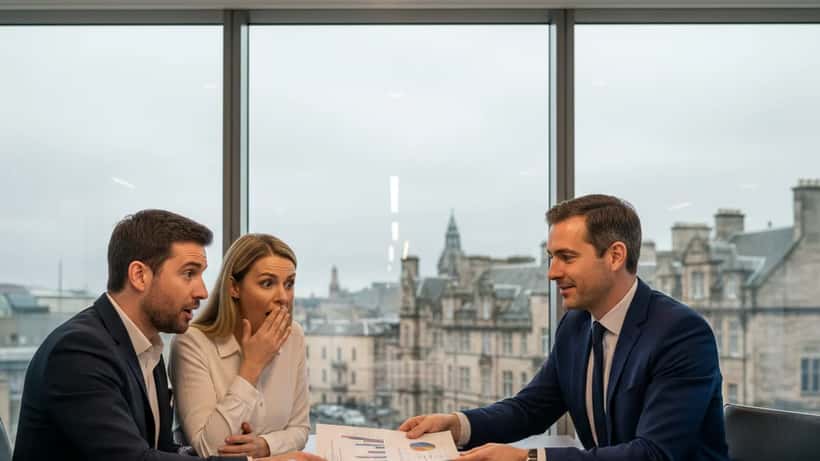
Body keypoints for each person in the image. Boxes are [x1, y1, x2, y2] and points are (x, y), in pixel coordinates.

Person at [400, 195, 729, 461]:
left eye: (567, 257)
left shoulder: (681, 334)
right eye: (550, 258)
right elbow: (530, 409)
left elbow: (654, 453)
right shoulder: (576, 324)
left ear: (615, 256)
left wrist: (528, 459)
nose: (552, 273)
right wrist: (457, 425)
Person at [13, 210, 323, 461]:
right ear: (139, 275)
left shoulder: (146, 350)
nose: (202, 291)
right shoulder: (79, 351)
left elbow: (162, 450)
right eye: (189, 274)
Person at [170, 234, 311, 460]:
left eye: (289, 283)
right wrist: (251, 367)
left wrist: (264, 445)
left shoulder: (294, 335)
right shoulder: (192, 342)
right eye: (267, 283)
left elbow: (301, 429)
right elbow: (209, 449)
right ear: (234, 288)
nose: (283, 297)